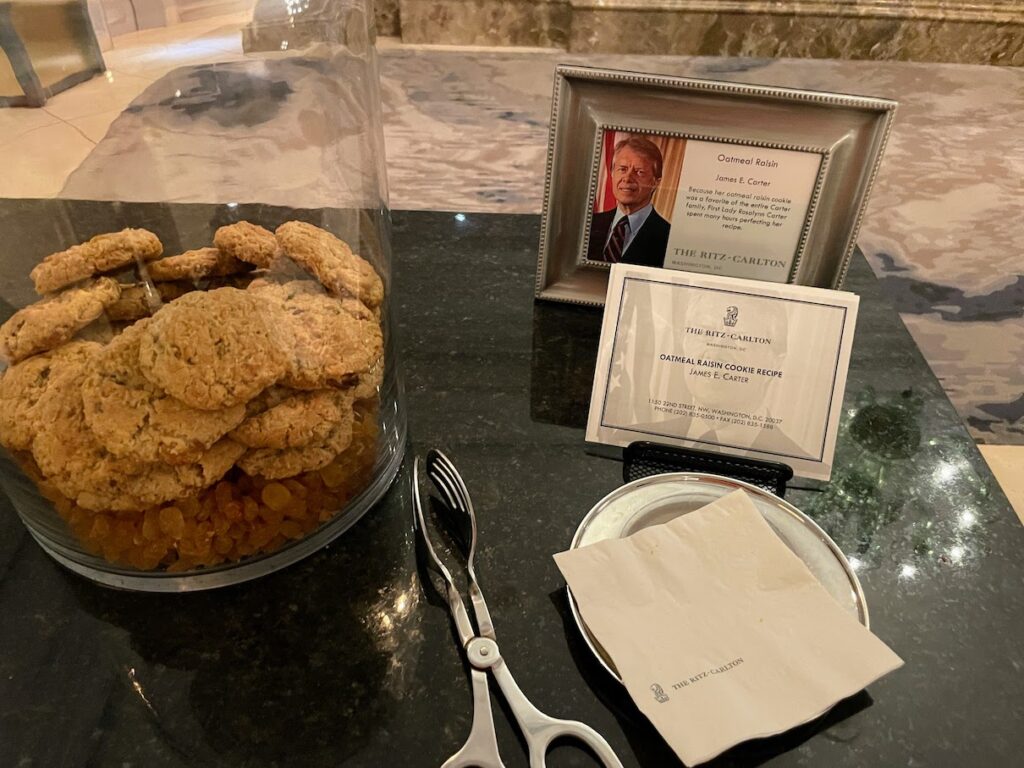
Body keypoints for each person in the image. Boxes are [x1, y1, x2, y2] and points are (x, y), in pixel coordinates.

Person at [587, 136, 671, 267]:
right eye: (622, 169)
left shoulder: (668, 238)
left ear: (655, 182)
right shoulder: (589, 224)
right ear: (612, 173)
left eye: (639, 172)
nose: (627, 178)